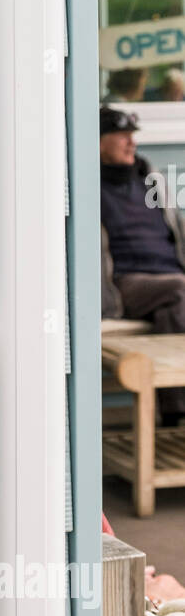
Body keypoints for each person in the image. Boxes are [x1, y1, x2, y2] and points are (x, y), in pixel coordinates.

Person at [100, 105, 185, 423]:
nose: (131, 143)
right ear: (98, 142)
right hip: (126, 282)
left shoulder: (152, 181)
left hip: (167, 280)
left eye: (132, 136)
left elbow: (177, 229)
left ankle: (173, 415)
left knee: (173, 305)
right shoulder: (89, 187)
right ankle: (177, 410)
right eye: (121, 136)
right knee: (178, 291)